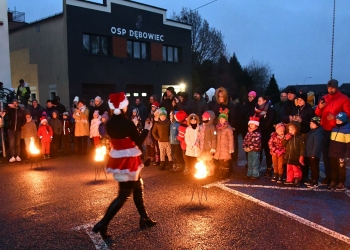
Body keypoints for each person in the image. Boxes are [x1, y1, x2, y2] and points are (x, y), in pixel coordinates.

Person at [92, 92, 156, 240]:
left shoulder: (110, 123)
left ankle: (144, 218)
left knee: (138, 186)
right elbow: (138, 141)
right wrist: (147, 128)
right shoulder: (127, 124)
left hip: (119, 158)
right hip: (129, 160)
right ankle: (103, 223)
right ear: (123, 107)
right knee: (123, 195)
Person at [315, 79, 350, 186]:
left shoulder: (344, 99)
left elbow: (347, 115)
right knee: (326, 155)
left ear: (336, 87)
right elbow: (317, 113)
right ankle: (329, 176)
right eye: (329, 88)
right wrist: (320, 107)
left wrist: (334, 119)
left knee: (337, 156)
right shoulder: (324, 98)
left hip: (337, 130)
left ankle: (340, 179)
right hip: (324, 130)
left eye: (332, 88)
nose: (330, 90)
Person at [328, 112, 350, 191]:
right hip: (333, 153)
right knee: (334, 168)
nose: (337, 121)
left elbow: (348, 144)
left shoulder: (347, 130)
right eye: (337, 119)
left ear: (344, 121)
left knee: (341, 169)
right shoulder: (334, 128)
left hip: (341, 154)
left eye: (339, 120)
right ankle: (334, 180)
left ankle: (341, 182)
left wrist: (347, 155)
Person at [255, 96, 275, 177]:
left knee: (268, 153)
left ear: (265, 101)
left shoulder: (270, 110)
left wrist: (262, 127)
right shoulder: (256, 110)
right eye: (258, 101)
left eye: (260, 101)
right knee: (258, 152)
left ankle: (269, 168)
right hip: (259, 134)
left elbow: (270, 121)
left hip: (267, 133)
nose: (258, 102)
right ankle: (256, 169)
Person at [213, 108, 234, 178]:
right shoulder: (218, 128)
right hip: (219, 148)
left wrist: (231, 148)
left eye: (223, 119)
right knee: (220, 161)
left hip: (225, 148)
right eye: (220, 119)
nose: (221, 120)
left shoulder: (228, 128)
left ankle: (226, 173)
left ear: (226, 120)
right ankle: (221, 172)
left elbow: (231, 139)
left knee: (225, 162)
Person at [304, 117, 323, 189]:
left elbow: (317, 145)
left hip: (313, 154)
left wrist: (314, 154)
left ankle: (315, 180)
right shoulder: (311, 132)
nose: (310, 125)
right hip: (309, 153)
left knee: (315, 167)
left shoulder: (318, 133)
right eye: (310, 123)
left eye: (312, 123)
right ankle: (312, 179)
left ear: (317, 124)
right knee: (312, 167)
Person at [198, 111, 217, 176]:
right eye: (203, 118)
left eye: (205, 118)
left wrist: (213, 148)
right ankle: (204, 171)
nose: (204, 120)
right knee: (203, 158)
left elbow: (214, 138)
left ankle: (210, 172)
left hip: (209, 146)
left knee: (209, 159)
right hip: (202, 146)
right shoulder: (201, 126)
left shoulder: (212, 127)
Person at [174, 110, 189, 175]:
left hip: (184, 145)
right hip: (190, 144)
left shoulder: (182, 127)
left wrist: (176, 137)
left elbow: (180, 137)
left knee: (186, 158)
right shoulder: (188, 123)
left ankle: (187, 169)